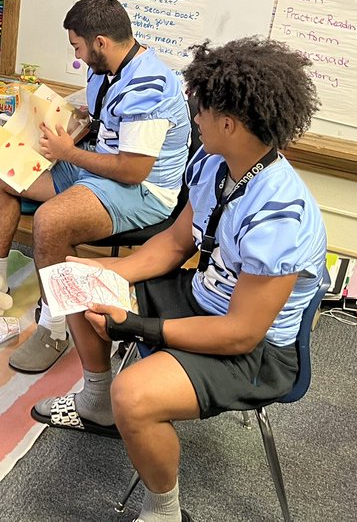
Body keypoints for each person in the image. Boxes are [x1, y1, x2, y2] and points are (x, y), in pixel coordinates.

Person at [34, 37, 326, 522]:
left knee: (137, 395)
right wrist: (105, 271)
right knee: (76, 281)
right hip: (201, 299)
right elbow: (174, 244)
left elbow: (240, 333)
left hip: (255, 350)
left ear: (228, 123)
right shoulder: (215, 162)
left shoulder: (281, 216)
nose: (194, 118)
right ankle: (95, 401)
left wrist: (135, 326)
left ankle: (163, 511)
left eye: (201, 110)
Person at [0, 0, 190, 374]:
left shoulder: (147, 87)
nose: (78, 56)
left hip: (142, 191)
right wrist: (81, 119)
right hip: (101, 166)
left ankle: (54, 327)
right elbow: (110, 126)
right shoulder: (108, 67)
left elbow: (132, 171)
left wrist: (67, 152)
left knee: (52, 221)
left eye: (78, 47)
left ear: (100, 42)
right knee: (0, 169)